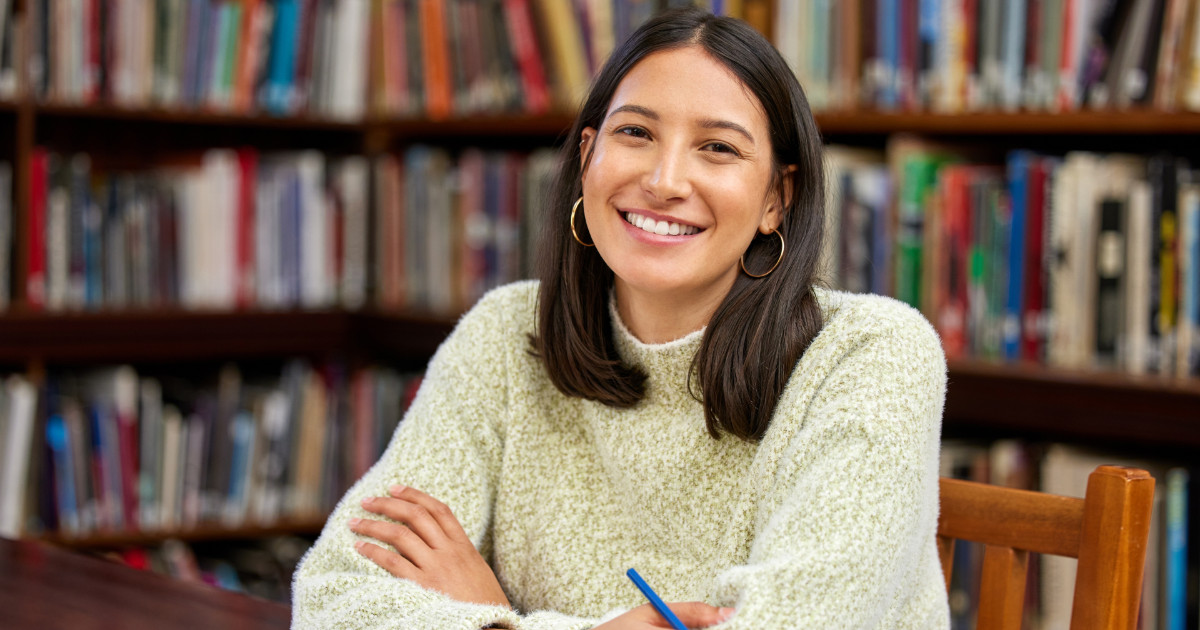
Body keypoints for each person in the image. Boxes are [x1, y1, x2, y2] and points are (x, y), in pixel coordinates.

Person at [292, 8, 949, 629]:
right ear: (587, 159)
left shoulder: (872, 353)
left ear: (777, 198)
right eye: (635, 133)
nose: (665, 180)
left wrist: (493, 616)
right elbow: (331, 597)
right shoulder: (506, 333)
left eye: (717, 148)